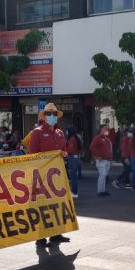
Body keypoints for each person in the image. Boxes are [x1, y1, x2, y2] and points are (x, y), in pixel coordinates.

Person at [29, 102, 71, 247]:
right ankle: (41, 238)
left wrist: (65, 154)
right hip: (42, 176)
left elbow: (65, 151)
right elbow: (32, 155)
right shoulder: (37, 132)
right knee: (43, 206)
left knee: (57, 205)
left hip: (58, 175)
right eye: (49, 114)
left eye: (54, 114)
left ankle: (56, 235)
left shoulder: (60, 133)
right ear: (44, 116)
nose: (52, 116)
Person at [90, 123, 113, 197]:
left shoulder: (107, 139)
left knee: (104, 175)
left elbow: (110, 149)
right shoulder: (98, 138)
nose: (107, 130)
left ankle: (103, 190)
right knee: (102, 175)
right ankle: (99, 191)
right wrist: (96, 156)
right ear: (101, 130)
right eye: (105, 128)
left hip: (107, 160)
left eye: (107, 128)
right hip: (101, 160)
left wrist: (111, 158)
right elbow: (92, 147)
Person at [65, 126, 81, 197]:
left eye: (67, 131)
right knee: (74, 176)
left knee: (73, 177)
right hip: (76, 158)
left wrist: (64, 152)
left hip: (72, 158)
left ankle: (74, 192)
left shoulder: (71, 139)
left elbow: (70, 150)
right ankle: (75, 192)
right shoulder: (76, 138)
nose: (66, 132)